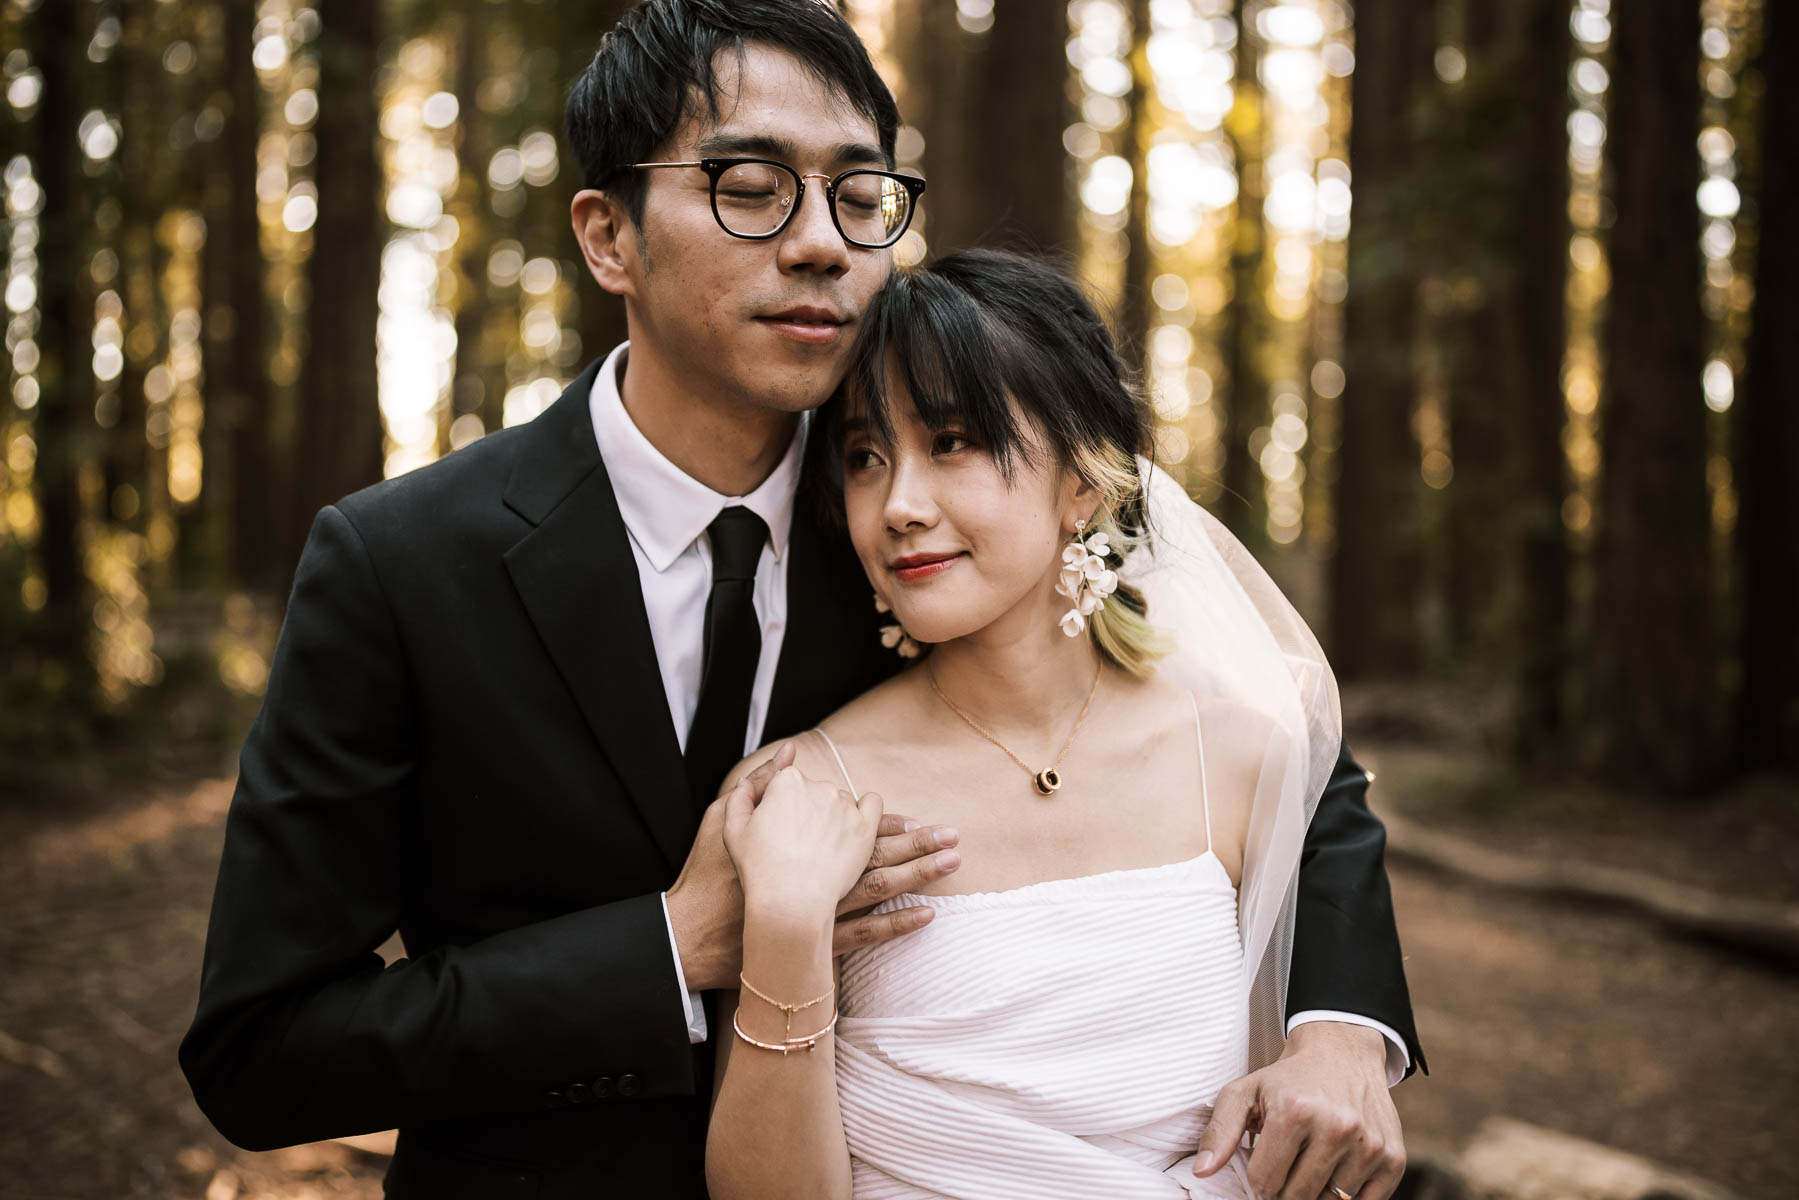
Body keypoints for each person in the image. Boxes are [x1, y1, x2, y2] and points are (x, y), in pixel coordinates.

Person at [179, 3, 1423, 1198]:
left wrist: (1340, 1032)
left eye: (857, 192)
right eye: (750, 184)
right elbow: (263, 1047)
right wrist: (670, 950)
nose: (822, 240)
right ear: (608, 236)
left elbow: (1292, 773)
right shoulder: (401, 564)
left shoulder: (926, 530)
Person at [705, 250, 1405, 1200]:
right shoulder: (800, 792)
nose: (900, 505)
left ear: (1082, 483)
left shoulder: (1238, 760)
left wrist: (1340, 1040)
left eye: (951, 440)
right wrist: (783, 927)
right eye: (867, 457)